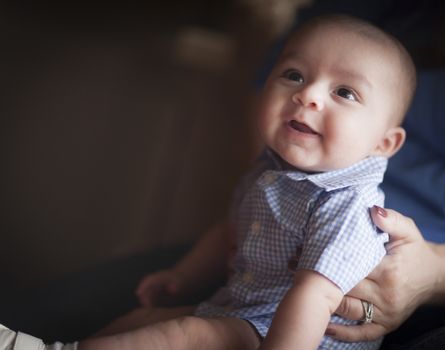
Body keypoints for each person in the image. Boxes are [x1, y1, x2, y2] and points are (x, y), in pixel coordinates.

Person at [77, 14, 416, 350]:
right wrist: (184, 275)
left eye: (344, 92)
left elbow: (315, 297)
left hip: (301, 334)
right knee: (142, 322)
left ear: (383, 144)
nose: (308, 94)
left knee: (182, 335)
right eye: (294, 75)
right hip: (245, 310)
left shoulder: (347, 204)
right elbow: (230, 231)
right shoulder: (270, 172)